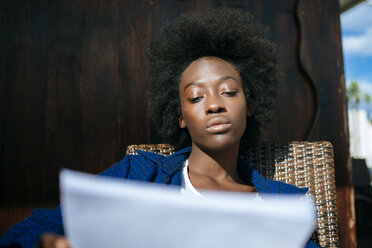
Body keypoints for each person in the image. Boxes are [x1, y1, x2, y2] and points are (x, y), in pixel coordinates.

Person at [0, 8, 318, 248]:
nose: (214, 105)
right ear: (180, 116)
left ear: (249, 105)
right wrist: (48, 243)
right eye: (195, 97)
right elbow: (33, 229)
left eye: (228, 91)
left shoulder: (285, 204)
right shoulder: (139, 173)